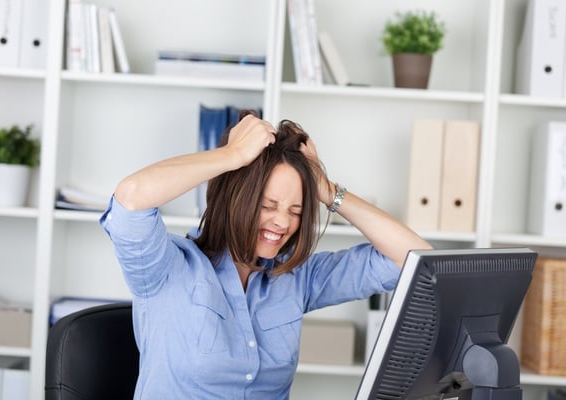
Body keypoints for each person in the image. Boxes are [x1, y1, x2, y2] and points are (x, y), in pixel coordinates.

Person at [100, 110, 431, 399]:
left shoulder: (295, 277)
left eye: (296, 210)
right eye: (268, 206)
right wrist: (232, 156)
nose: (283, 222)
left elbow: (414, 258)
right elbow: (131, 197)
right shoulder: (167, 268)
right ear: (235, 200)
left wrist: (327, 190)